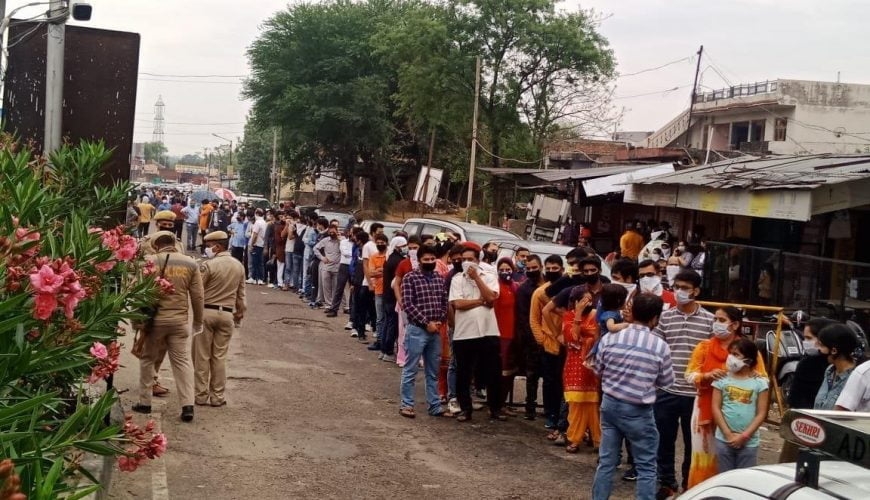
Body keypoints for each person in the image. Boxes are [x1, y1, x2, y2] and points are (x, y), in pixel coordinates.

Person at [592, 293, 673, 500]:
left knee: (606, 462)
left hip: (609, 405)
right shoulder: (659, 346)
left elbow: (598, 368)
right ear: (655, 318)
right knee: (646, 466)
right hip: (638, 411)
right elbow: (666, 382)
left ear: (632, 312)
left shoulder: (609, 338)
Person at [684, 307, 766, 488]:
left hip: (740, 415)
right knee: (704, 458)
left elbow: (762, 379)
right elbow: (689, 375)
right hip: (705, 412)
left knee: (736, 465)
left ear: (735, 324)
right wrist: (706, 376)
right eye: (715, 319)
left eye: (721, 320)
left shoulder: (749, 350)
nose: (716, 323)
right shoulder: (703, 347)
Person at [653, 269, 715, 498]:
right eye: (676, 287)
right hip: (667, 390)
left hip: (696, 394)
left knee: (693, 443)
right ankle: (667, 482)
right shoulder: (665, 317)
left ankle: (690, 484)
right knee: (664, 440)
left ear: (696, 291)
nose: (679, 292)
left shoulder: (710, 320)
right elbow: (658, 350)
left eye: (684, 288)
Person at [132, 232, 204, 422]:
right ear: (174, 244)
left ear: (156, 246)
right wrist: (198, 321)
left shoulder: (148, 262)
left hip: (154, 322)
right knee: (182, 362)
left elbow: (137, 294)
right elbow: (197, 296)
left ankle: (145, 402)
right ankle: (188, 405)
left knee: (148, 359)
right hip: (179, 322)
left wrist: (136, 323)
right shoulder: (190, 263)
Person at [449, 244, 504, 422]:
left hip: (488, 331)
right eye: (463, 260)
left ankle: (495, 408)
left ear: (478, 260)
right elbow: (458, 304)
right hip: (465, 332)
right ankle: (466, 408)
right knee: (463, 372)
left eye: (470, 259)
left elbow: (491, 298)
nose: (466, 263)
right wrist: (480, 301)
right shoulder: (457, 279)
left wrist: (477, 280)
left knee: (493, 371)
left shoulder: (488, 276)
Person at [398, 245, 454, 418]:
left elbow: (445, 302)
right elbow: (408, 304)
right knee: (411, 369)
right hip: (417, 330)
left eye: (432, 259)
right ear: (420, 260)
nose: (429, 262)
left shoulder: (439, 278)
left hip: (435, 331)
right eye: (426, 259)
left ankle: (434, 406)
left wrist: (440, 321)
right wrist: (425, 322)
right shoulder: (410, 278)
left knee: (433, 371)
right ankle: (406, 405)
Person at [193, 231, 246, 407]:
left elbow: (198, 292)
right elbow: (241, 297)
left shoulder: (208, 266)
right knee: (219, 357)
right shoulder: (238, 266)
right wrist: (238, 316)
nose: (207, 249)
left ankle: (200, 396)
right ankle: (217, 397)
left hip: (207, 313)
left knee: (202, 356)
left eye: (209, 246)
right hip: (227, 315)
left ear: (218, 246)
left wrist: (195, 315)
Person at [711, 338, 769, 473]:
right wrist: (728, 434)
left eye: (736, 355)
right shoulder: (721, 380)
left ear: (748, 360)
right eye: (730, 353)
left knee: (744, 479)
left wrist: (744, 437)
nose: (730, 358)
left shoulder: (760, 383)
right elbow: (716, 408)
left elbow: (761, 413)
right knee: (723, 478)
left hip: (749, 442)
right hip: (723, 440)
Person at [530, 255, 569, 438]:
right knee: (550, 382)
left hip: (569, 346)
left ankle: (565, 418)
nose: (552, 271)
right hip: (549, 344)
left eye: (556, 268)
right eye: (549, 268)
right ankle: (551, 415)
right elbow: (534, 320)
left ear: (562, 269)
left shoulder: (571, 291)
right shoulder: (540, 292)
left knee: (565, 383)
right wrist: (542, 341)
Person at [560, 287, 601, 454]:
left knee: (592, 404)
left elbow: (596, 335)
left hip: (590, 365)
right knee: (576, 404)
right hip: (574, 365)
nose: (587, 303)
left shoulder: (596, 315)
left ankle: (598, 440)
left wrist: (586, 334)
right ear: (575, 302)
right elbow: (572, 339)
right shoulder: (568, 316)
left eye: (589, 300)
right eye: (583, 300)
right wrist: (578, 315)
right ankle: (574, 439)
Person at [515, 254, 545, 420]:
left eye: (535, 267)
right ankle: (530, 406)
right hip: (532, 338)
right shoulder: (524, 289)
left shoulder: (552, 284)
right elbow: (523, 317)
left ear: (541, 266)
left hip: (551, 337)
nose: (532, 270)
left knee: (549, 376)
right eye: (529, 268)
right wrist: (533, 338)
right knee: (531, 375)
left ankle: (549, 408)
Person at [814, 323, 862, 410]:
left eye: (821, 345)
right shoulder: (829, 371)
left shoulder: (856, 377)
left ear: (834, 350)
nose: (818, 349)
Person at [494, 258, 518, 412]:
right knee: (500, 371)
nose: (505, 272)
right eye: (502, 269)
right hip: (499, 333)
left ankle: (503, 403)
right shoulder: (495, 287)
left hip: (514, 333)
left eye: (507, 269)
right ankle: (496, 404)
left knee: (511, 370)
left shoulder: (516, 287)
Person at [378, 235, 406, 361]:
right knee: (392, 325)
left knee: (387, 322)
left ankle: (384, 349)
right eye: (403, 246)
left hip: (386, 295)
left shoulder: (390, 258)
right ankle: (388, 351)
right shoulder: (398, 261)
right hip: (392, 296)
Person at [314, 224, 342, 314]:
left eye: (333, 231)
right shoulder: (325, 240)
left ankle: (334, 306)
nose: (331, 233)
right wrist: (322, 258)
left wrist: (340, 239)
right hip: (326, 267)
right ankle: (328, 305)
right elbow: (315, 248)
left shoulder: (341, 241)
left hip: (337, 268)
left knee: (336, 288)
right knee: (326, 288)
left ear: (336, 231)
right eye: (330, 232)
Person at [247, 209, 268, 286]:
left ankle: (254, 277)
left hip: (256, 244)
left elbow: (255, 234)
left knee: (255, 262)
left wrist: (252, 244)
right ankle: (259, 278)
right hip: (261, 244)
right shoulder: (264, 222)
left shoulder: (257, 222)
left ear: (257, 214)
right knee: (260, 262)